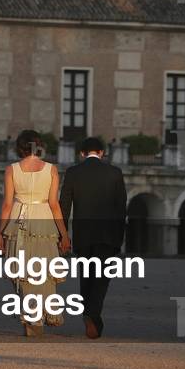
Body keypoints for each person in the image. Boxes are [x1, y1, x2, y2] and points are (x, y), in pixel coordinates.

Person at [0, 129, 71, 337]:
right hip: (45, 221)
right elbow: (55, 204)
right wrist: (64, 234)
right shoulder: (51, 169)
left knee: (20, 271)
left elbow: (7, 204)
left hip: (17, 220)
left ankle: (32, 317)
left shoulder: (11, 169)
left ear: (19, 147)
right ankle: (43, 313)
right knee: (44, 270)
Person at [58, 136, 127, 339]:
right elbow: (121, 208)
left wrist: (63, 234)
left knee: (86, 277)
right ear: (102, 153)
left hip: (83, 234)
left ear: (82, 153)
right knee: (102, 278)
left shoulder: (73, 173)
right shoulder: (115, 173)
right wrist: (119, 237)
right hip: (107, 235)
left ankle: (89, 315)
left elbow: (64, 205)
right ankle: (92, 314)